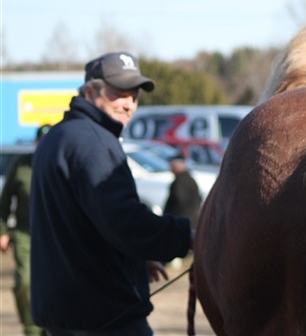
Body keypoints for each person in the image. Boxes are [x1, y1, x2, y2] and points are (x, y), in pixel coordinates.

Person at [30, 52, 193, 336]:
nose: (129, 104)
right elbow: (124, 221)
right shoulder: (95, 142)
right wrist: (191, 236)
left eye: (134, 96)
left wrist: (133, 261)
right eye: (119, 93)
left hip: (64, 316)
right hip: (102, 319)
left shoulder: (59, 137)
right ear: (90, 91)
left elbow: (83, 224)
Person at [0, 124, 50, 336]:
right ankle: (32, 329)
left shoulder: (60, 163)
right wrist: (2, 231)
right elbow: (4, 201)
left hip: (54, 234)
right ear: (36, 142)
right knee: (26, 282)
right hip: (24, 232)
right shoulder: (21, 165)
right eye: (41, 141)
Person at [164, 154, 202, 230]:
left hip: (182, 224)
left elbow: (182, 204)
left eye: (172, 166)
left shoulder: (181, 181)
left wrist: (176, 222)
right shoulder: (186, 178)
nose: (170, 168)